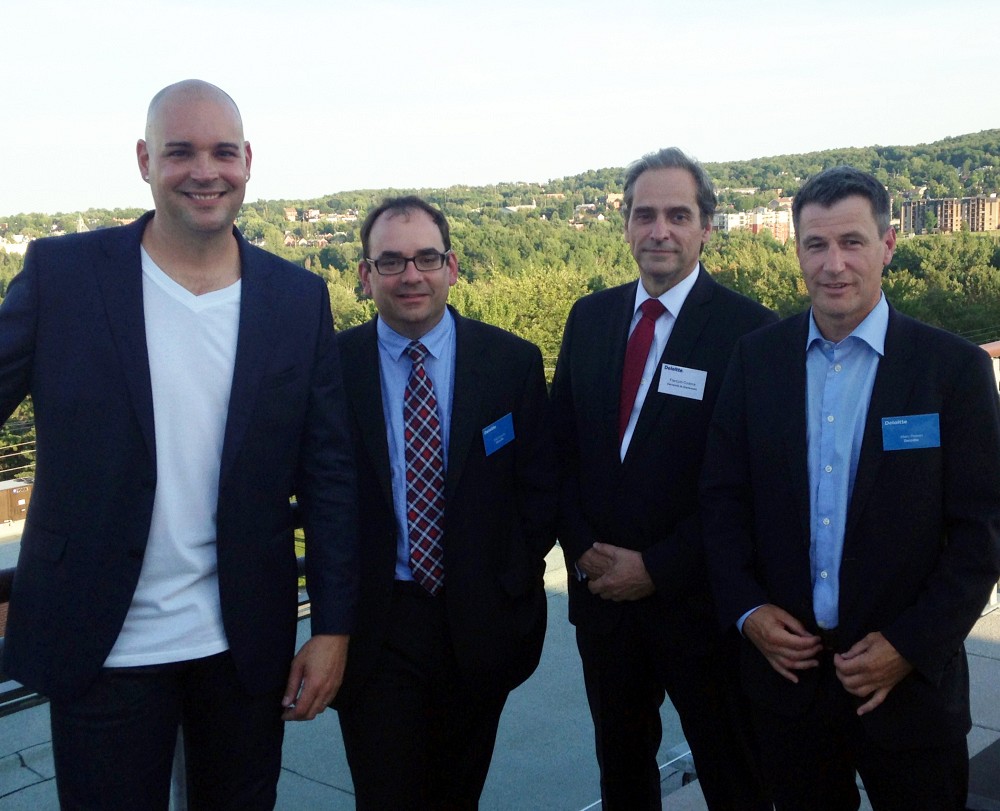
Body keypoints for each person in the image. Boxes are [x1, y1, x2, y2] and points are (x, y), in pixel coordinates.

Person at [0, 80, 359, 810]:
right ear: (144, 160)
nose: (205, 170)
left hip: (243, 648)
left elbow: (329, 476)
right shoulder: (64, 275)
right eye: (180, 152)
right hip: (104, 648)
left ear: (249, 161)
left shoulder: (295, 299)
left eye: (223, 152)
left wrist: (333, 627)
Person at [701, 165, 1000, 810]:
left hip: (910, 688)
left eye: (853, 242)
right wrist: (748, 610)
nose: (834, 264)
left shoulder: (952, 371)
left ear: (888, 245)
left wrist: (909, 646)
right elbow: (721, 501)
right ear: (798, 249)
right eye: (816, 244)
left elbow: (981, 533)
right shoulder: (756, 362)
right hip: (790, 685)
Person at [550, 147, 775, 810]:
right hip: (603, 604)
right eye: (644, 214)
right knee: (621, 765)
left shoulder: (750, 332)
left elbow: (752, 485)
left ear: (707, 225)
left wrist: (659, 565)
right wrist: (581, 544)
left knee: (733, 770)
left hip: (700, 605)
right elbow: (557, 449)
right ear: (624, 224)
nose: (660, 230)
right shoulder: (588, 318)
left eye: (679, 214)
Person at [333, 195, 557, 809]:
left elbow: (539, 486)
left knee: (459, 791)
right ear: (365, 274)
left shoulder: (511, 362)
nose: (411, 275)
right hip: (378, 626)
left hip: (480, 621)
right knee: (387, 795)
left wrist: (508, 577)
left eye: (427, 258)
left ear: (452, 267)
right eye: (392, 261)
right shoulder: (332, 368)